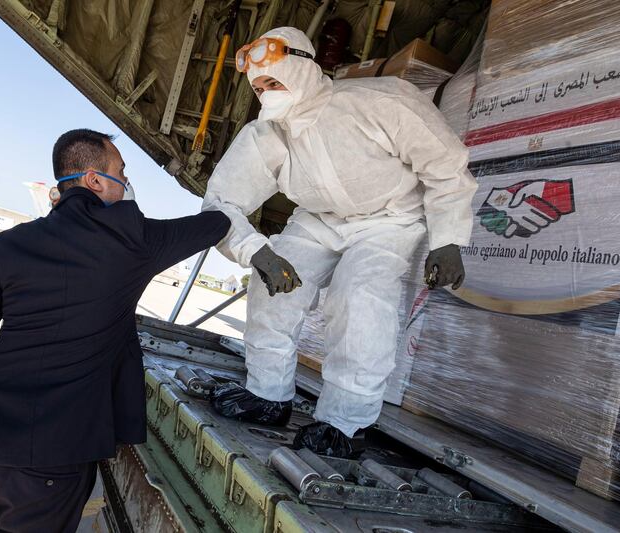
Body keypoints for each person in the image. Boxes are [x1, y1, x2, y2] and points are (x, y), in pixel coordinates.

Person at [0, 129, 230, 532]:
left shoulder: (14, 244)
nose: (126, 183)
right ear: (94, 180)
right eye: (121, 173)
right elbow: (214, 224)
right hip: (55, 463)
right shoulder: (134, 239)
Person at [203, 27, 477, 457]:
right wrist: (257, 251)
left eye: (273, 81)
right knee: (271, 286)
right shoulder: (266, 135)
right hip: (318, 221)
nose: (266, 94)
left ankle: (344, 424)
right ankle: (268, 394)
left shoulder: (381, 100)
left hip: (391, 219)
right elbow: (220, 202)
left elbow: (445, 165)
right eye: (258, 87)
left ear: (304, 66)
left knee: (360, 294)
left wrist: (449, 237)